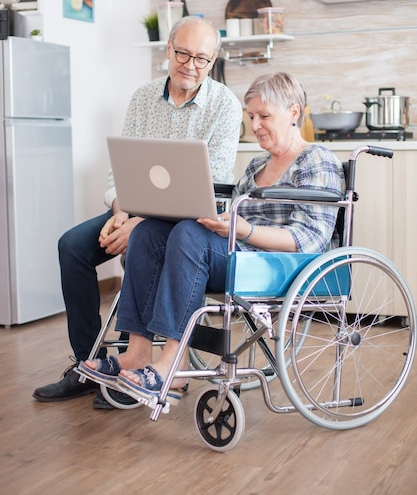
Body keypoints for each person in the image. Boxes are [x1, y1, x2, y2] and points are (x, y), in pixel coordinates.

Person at [78, 71, 345, 405]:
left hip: (280, 263)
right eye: (251, 116)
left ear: (293, 113)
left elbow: (309, 239)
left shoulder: (317, 159)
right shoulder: (257, 165)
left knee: (190, 235)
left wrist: (241, 230)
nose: (256, 124)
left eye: (264, 116)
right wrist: (219, 220)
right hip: (239, 253)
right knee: (147, 233)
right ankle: (138, 352)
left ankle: (172, 363)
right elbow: (237, 221)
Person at [33, 16, 242, 405]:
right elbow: (122, 168)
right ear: (168, 49)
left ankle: (138, 366)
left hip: (186, 220)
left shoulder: (224, 106)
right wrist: (119, 211)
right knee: (72, 246)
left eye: (202, 59)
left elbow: (209, 185)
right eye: (183, 53)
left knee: (147, 239)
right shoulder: (144, 98)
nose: (190, 65)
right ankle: (88, 364)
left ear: (212, 61)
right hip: (133, 209)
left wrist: (140, 222)